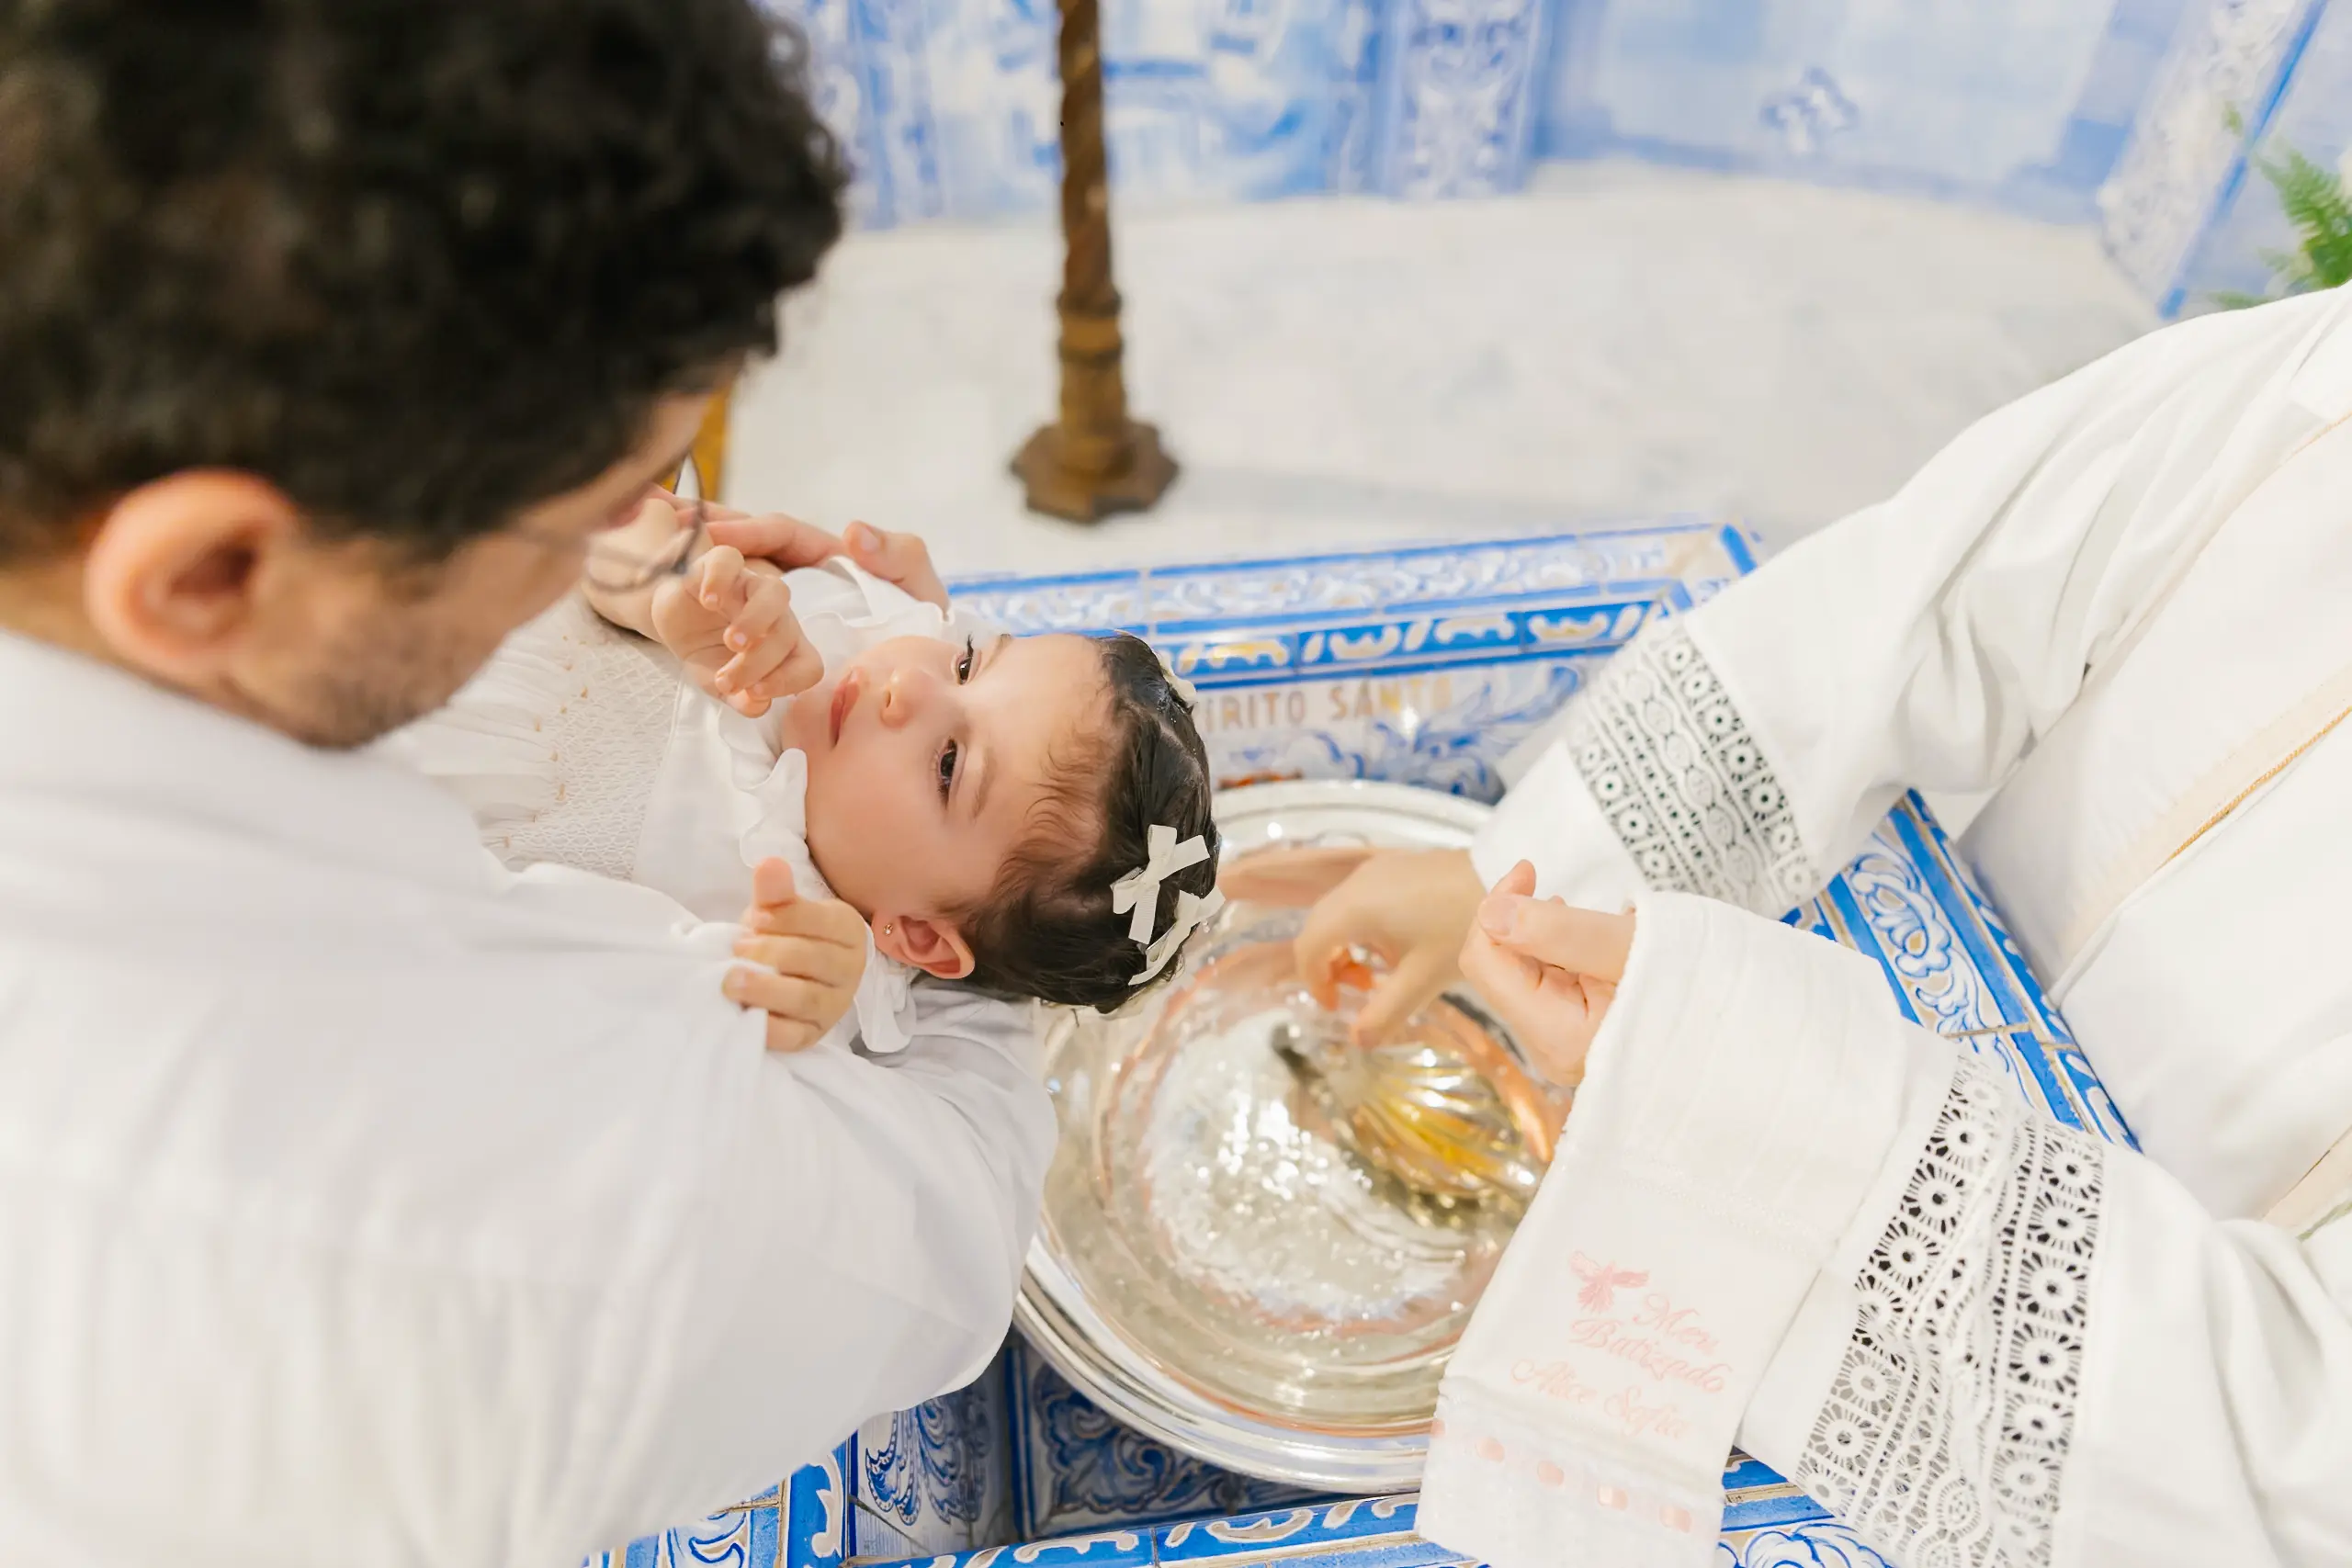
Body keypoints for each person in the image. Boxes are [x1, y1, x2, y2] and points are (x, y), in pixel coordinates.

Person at [0, 4, 1052, 1563]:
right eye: (567, 528)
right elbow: (945, 1238)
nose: (633, 553)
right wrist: (991, 918)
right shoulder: (502, 1213)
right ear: (214, 570)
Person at [1241, 286, 2352, 1566]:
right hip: (1915, 1001)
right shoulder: (2321, 374)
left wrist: (1764, 1077)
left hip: (2069, 1437)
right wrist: (1522, 869)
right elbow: (1941, 594)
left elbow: (2298, 1460)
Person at [381, 490, 1224, 1052]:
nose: (911, 686)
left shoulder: (821, 949)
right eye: (971, 661)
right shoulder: (843, 615)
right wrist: (665, 588)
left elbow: (634, 1042)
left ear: (919, 936)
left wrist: (787, 1001)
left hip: (386, 831)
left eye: (947, 763)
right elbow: (602, 520)